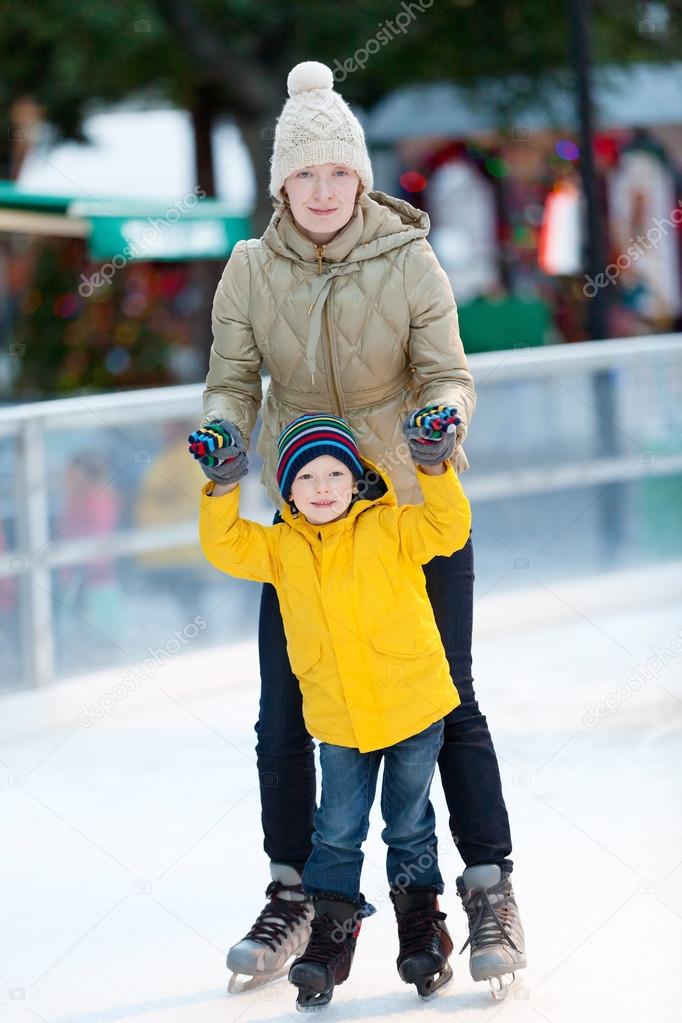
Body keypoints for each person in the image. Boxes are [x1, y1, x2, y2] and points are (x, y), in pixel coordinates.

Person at [191, 59, 527, 998]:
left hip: (412, 517)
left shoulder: (411, 260)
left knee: (448, 700)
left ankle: (490, 887)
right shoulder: (250, 271)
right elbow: (230, 379)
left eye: (339, 171)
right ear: (282, 184)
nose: (325, 189)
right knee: (284, 710)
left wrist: (443, 422)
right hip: (308, 527)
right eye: (306, 174)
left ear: (361, 174)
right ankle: (295, 888)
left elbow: (447, 372)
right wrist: (224, 430)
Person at [194, 409, 470, 1007]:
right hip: (339, 719)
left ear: (357, 479)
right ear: (288, 490)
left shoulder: (392, 527)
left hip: (412, 709)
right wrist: (223, 484)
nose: (322, 489)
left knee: (409, 825)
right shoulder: (281, 548)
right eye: (307, 478)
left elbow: (448, 528)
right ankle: (329, 938)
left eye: (334, 475)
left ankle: (422, 928)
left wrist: (433, 463)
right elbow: (224, 544)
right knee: (337, 834)